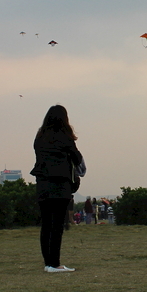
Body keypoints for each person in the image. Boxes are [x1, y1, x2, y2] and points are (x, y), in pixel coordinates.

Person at [31, 105, 84, 273]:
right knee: (58, 226)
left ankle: (48, 263)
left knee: (46, 225)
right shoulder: (64, 137)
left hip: (42, 185)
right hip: (60, 185)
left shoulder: (39, 138)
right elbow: (77, 158)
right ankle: (55, 264)